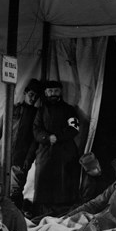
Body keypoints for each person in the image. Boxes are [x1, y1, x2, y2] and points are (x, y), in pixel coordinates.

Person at [0, 79, 41, 209]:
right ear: (25, 93)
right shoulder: (12, 108)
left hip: (20, 159)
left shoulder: (36, 114)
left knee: (16, 191)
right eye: (31, 95)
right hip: (1, 156)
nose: (33, 98)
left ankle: (16, 218)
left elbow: (35, 141)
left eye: (36, 96)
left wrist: (28, 159)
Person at [32, 80, 81, 216]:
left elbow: (74, 128)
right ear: (46, 93)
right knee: (43, 178)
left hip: (65, 151)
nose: (53, 94)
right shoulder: (41, 111)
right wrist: (47, 138)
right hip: (45, 151)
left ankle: (62, 212)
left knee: (64, 181)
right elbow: (36, 130)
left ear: (60, 92)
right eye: (50, 91)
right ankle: (42, 212)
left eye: (56, 91)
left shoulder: (69, 109)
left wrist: (58, 137)